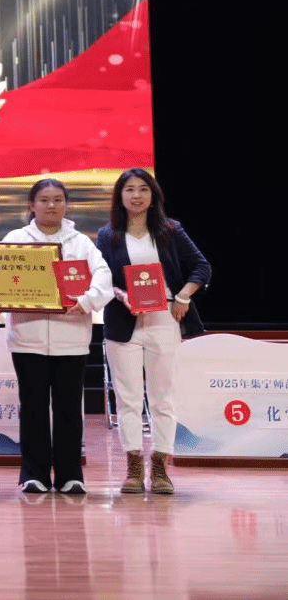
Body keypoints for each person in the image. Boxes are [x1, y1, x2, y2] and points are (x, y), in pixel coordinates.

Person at [96, 168, 210, 495]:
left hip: (164, 319)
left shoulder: (170, 231)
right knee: (128, 399)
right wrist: (120, 294)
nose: (137, 195)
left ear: (153, 195)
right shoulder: (107, 235)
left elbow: (201, 267)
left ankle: (160, 467)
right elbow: (100, 278)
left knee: (162, 397)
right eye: (130, 189)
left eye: (143, 189)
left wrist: (184, 296)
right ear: (120, 196)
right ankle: (134, 467)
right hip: (123, 322)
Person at [0, 178, 112, 495]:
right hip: (27, 337)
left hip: (71, 338)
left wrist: (86, 301)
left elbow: (103, 277)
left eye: (58, 199)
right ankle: (33, 474)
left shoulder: (81, 243)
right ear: (32, 205)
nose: (51, 205)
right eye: (44, 199)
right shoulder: (16, 240)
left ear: (66, 205)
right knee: (32, 407)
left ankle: (70, 475)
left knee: (68, 410)